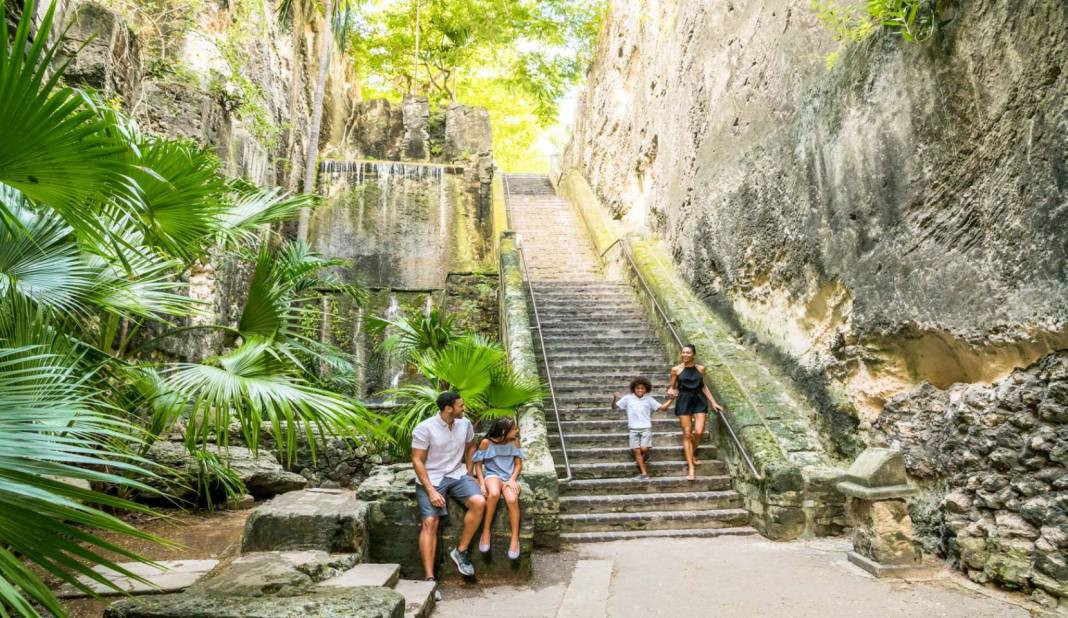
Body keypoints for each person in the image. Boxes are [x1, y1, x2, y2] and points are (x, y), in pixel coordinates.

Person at [411, 391, 486, 582]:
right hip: (431, 478)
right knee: (430, 523)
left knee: (479, 502)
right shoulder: (424, 428)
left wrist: (469, 473)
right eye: (461, 406)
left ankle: (461, 551)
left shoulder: (465, 424)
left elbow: (471, 447)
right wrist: (431, 491)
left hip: (457, 474)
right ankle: (429, 578)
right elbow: (417, 460)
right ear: (448, 408)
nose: (464, 408)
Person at [667, 344, 724, 481]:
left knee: (698, 432)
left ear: (694, 354)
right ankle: (691, 467)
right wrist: (671, 391)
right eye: (683, 353)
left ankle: (691, 453)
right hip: (684, 400)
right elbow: (672, 387)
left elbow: (703, 386)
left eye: (688, 353)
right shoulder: (676, 370)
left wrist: (713, 402)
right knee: (687, 433)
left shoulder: (701, 369)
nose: (685, 355)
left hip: (699, 399)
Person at [473, 417, 525, 559]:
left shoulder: (515, 442)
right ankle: (485, 531)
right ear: (503, 431)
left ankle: (515, 539)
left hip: (510, 477)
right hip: (492, 475)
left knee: (511, 499)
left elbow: (518, 465)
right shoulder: (486, 443)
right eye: (514, 429)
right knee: (494, 494)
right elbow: (478, 465)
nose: (517, 431)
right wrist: (482, 484)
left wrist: (512, 479)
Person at [612, 377, 673, 480]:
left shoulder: (649, 399)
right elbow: (614, 407)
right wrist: (614, 398)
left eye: (642, 388)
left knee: (644, 449)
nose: (640, 390)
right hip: (633, 429)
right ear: (633, 388)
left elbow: (662, 408)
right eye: (638, 388)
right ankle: (644, 474)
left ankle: (644, 457)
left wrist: (671, 399)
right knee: (637, 452)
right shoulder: (628, 398)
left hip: (646, 428)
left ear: (646, 389)